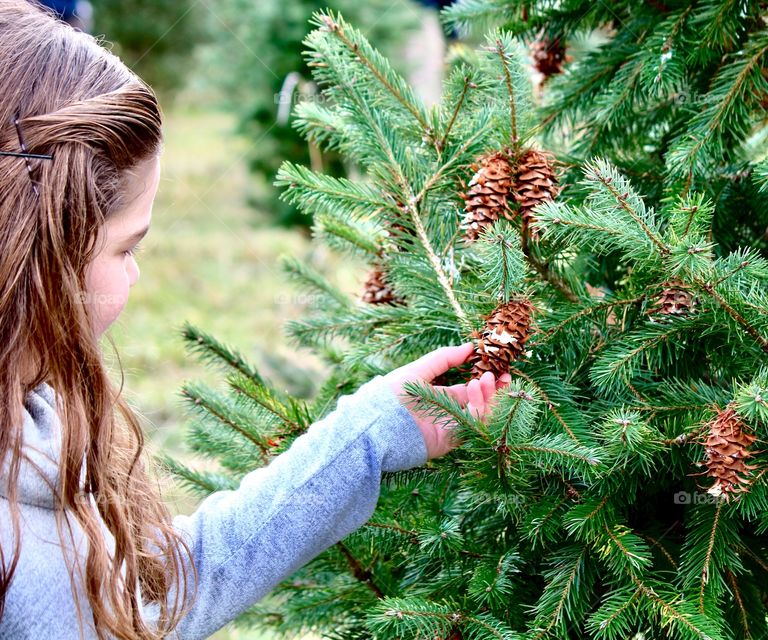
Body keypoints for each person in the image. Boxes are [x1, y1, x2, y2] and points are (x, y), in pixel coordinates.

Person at [0, 2, 508, 638]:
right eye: (125, 247)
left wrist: (369, 434)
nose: (135, 274)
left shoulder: (35, 418)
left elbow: (155, 597)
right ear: (32, 248)